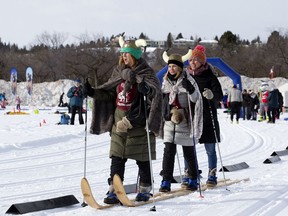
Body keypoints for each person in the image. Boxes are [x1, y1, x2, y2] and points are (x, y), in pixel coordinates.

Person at [84, 36, 162, 204]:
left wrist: (146, 89)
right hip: (119, 121)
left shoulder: (145, 73)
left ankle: (145, 188)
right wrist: (92, 92)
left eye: (127, 54)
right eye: (122, 54)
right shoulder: (118, 72)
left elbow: (155, 94)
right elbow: (109, 92)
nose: (124, 57)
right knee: (117, 157)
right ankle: (114, 188)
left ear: (134, 55)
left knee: (142, 158)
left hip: (138, 122)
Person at [159, 50, 203, 192]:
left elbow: (196, 99)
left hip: (185, 120)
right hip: (170, 121)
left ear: (180, 67)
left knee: (188, 152)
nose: (171, 69)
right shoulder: (165, 82)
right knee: (168, 152)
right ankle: (166, 181)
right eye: (169, 66)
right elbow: (162, 99)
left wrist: (190, 90)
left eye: (174, 66)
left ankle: (193, 178)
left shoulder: (189, 80)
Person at [186, 45, 223, 187]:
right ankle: (189, 172)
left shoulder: (210, 76)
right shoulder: (187, 77)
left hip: (208, 117)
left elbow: (219, 95)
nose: (192, 63)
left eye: (195, 60)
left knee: (210, 148)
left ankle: (212, 173)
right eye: (190, 60)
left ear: (202, 61)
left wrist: (212, 96)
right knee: (189, 147)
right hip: (192, 117)